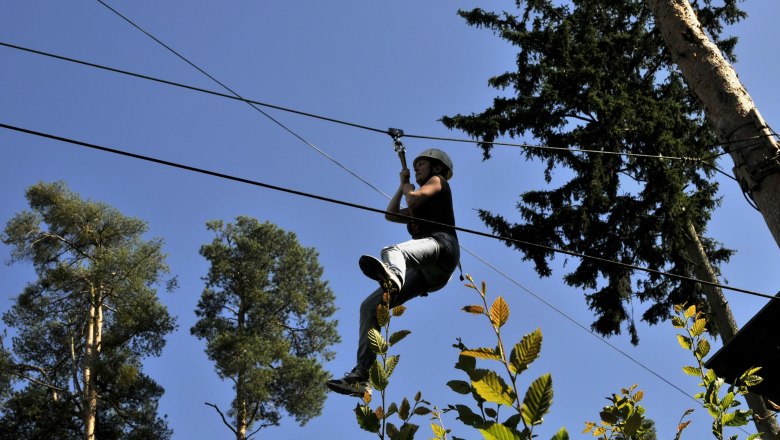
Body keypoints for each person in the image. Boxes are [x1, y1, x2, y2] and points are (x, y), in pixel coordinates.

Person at [327, 148, 460, 397]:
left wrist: (408, 188)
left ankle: (393, 278)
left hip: (442, 248)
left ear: (437, 168)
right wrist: (402, 184)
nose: (418, 167)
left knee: (393, 251)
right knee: (370, 306)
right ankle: (361, 378)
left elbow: (412, 200)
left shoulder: (437, 181)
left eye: (422, 164)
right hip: (428, 273)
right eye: (416, 164)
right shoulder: (417, 200)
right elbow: (391, 214)